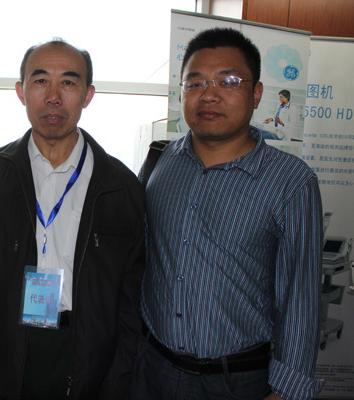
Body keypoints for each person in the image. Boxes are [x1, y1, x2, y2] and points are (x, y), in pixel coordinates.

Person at [132, 28, 323, 400]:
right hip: (151, 369)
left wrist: (286, 392)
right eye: (195, 83)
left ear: (256, 93)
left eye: (228, 81)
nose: (209, 95)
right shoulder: (158, 162)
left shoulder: (291, 181)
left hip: (236, 381)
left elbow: (300, 298)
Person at [0, 39, 144, 400]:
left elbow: (131, 299)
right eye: (41, 81)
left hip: (85, 349)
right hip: (6, 346)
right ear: (21, 91)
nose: (54, 96)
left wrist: (118, 382)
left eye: (69, 82)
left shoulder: (120, 185)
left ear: (88, 95)